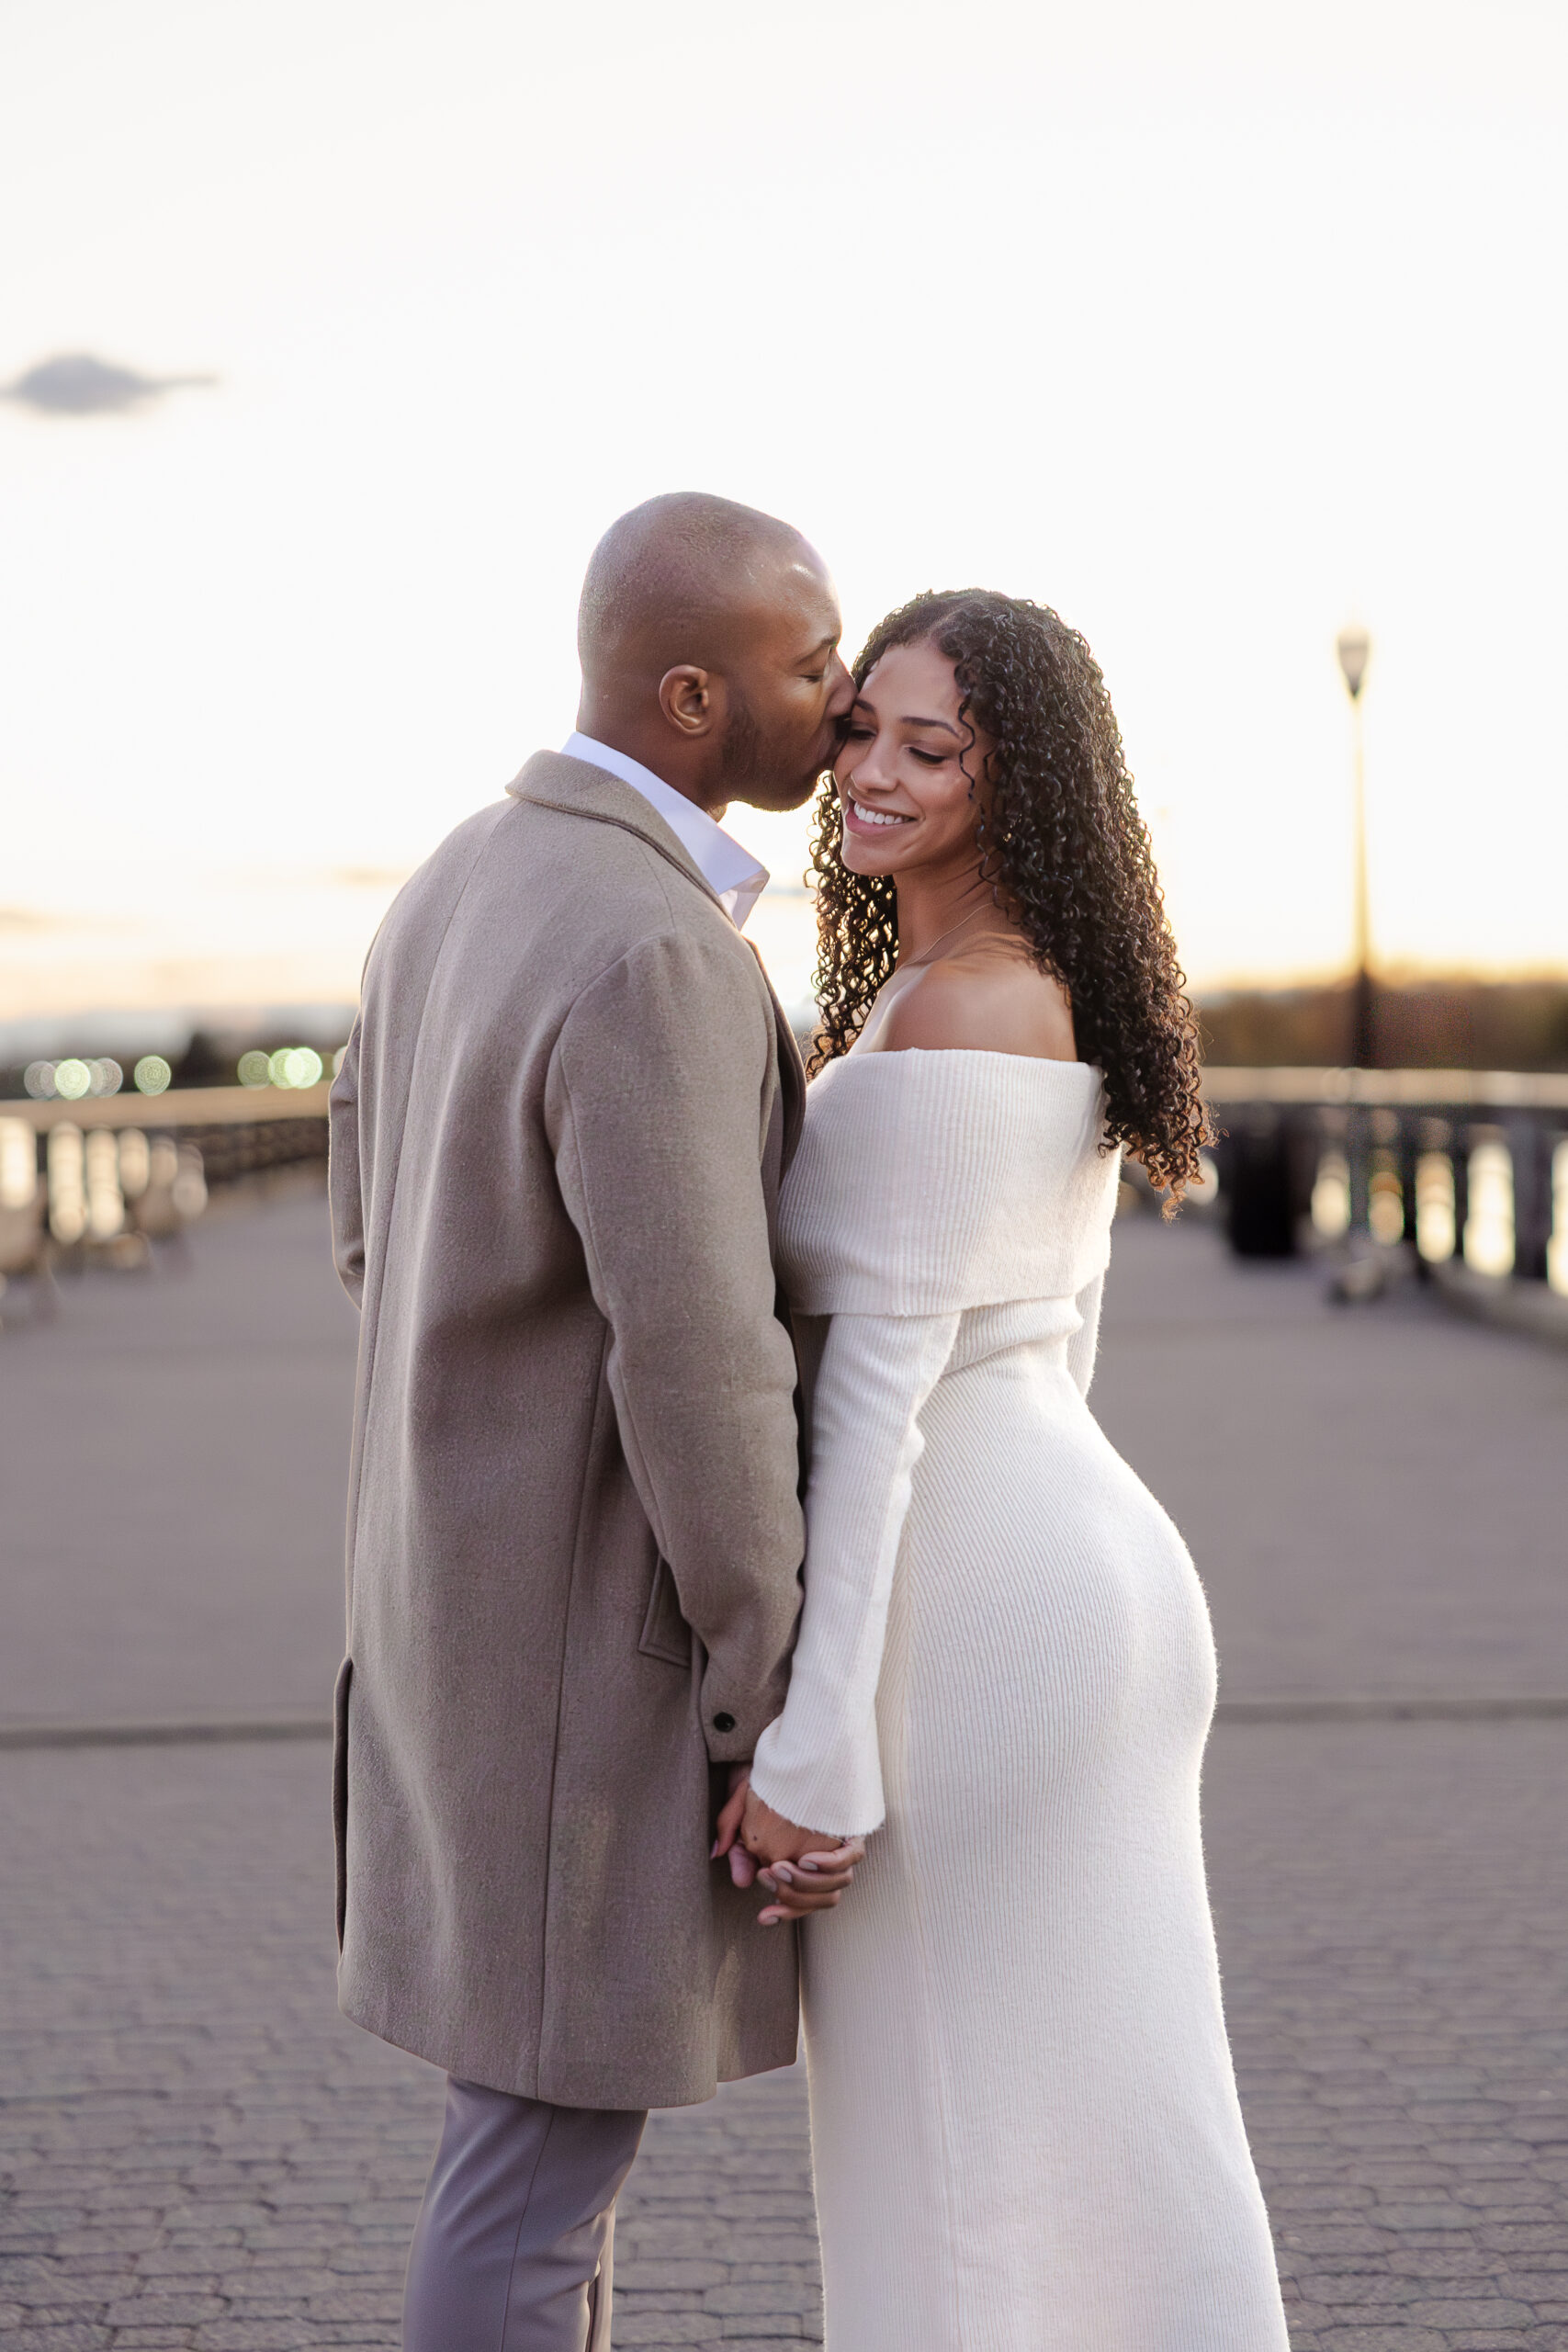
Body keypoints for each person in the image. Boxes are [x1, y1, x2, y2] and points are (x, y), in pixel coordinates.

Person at [716, 591, 1292, 2349]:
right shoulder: (1012, 994)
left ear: (1014, 780)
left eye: (930, 748)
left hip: (969, 1616)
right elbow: (1061, 1328)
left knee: (948, 2155)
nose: (872, 772)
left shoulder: (960, 1012)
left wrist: (814, 1753)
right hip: (1077, 1564)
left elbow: (876, 1400)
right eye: (858, 730)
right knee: (1114, 2127)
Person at [327, 492, 863, 2351]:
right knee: (535, 2167)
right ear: (695, 695)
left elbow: (359, 1227)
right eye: (811, 663)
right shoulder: (650, 950)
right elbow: (700, 1360)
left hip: (445, 1623)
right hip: (576, 1668)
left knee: (545, 2150)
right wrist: (768, 1670)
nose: (843, 692)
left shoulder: (453, 879)